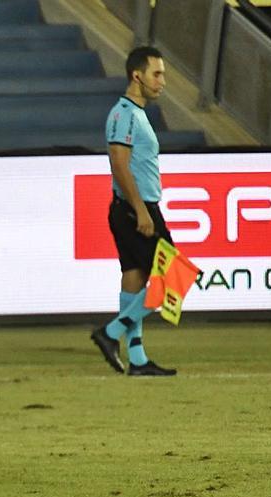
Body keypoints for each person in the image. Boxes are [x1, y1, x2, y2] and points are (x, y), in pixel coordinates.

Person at [90, 45, 177, 377]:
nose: (162, 82)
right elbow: (119, 164)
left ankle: (137, 359)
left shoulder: (135, 113)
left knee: (136, 278)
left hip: (135, 206)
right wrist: (141, 211)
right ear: (136, 75)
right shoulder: (123, 113)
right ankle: (109, 334)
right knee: (172, 279)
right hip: (134, 208)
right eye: (157, 74)